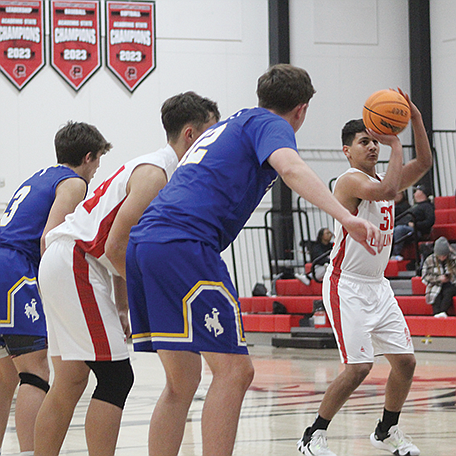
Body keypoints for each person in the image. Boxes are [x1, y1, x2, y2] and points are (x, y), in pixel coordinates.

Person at [125, 64, 383, 456]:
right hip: (184, 242)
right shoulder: (271, 124)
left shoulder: (229, 124)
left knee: (181, 383)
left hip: (145, 243)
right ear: (301, 109)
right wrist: (345, 216)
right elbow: (292, 168)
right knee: (235, 372)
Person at [34, 92, 220, 456]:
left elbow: (120, 245)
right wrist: (148, 298)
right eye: (211, 133)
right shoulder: (156, 173)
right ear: (190, 134)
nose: (216, 142)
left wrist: (122, 306)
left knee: (70, 380)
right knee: (117, 376)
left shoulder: (154, 167)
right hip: (77, 261)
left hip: (69, 261)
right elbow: (115, 246)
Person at [296, 90, 432, 456]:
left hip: (378, 286)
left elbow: (424, 163)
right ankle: (312, 435)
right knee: (358, 368)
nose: (373, 147)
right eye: (364, 142)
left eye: (375, 141)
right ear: (347, 150)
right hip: (347, 285)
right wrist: (394, 141)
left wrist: (415, 119)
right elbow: (388, 187)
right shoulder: (349, 180)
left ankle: (387, 431)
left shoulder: (383, 179)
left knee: (405, 362)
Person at [0, 121, 110, 456]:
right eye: (96, 165)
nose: (94, 174)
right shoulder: (73, 182)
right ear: (88, 157)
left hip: (4, 262)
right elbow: (50, 240)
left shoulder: (40, 176)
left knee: (4, 377)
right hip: (14, 269)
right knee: (35, 372)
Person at [392, 184, 435, 260]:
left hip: (417, 231)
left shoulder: (427, 206)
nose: (414, 193)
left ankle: (395, 253)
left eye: (417, 191)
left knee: (399, 229)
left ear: (421, 193)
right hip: (406, 227)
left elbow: (429, 222)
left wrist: (415, 225)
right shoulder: (414, 206)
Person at [421, 236, 456, 317]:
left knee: (448, 292)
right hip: (435, 284)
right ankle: (437, 314)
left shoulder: (452, 258)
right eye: (441, 255)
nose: (443, 257)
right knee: (436, 294)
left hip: (451, 283)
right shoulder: (429, 260)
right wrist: (438, 279)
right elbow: (424, 277)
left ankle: (443, 311)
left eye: (445, 255)